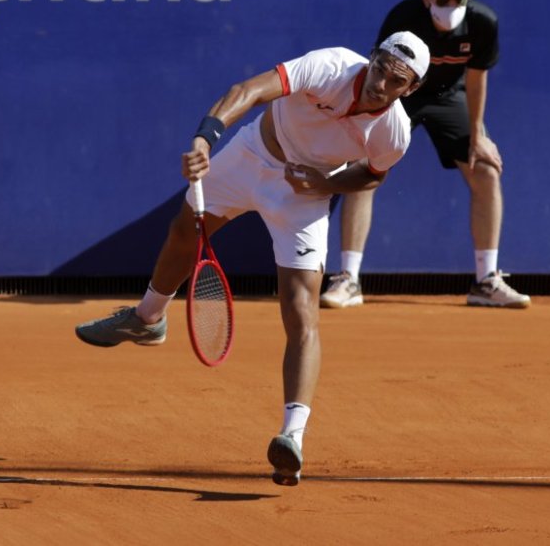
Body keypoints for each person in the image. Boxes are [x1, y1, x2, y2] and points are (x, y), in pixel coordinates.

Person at [74, 31, 431, 486]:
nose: (381, 83)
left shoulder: (394, 132)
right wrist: (205, 139)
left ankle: (292, 437)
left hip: (303, 197)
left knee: (301, 311)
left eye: (396, 81)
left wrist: (324, 184)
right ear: (373, 56)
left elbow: (373, 174)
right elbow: (249, 91)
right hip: (250, 155)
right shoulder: (332, 65)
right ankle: (148, 318)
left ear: (411, 88)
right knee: (184, 232)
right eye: (380, 68)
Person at [320, 0, 531, 310]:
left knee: (486, 169)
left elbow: (477, 78)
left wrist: (477, 133)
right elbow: (380, 74)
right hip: (400, 95)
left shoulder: (482, 22)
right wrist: (368, 121)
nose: (452, 7)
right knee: (363, 168)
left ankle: (486, 281)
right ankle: (348, 279)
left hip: (450, 96)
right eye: (444, 0)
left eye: (459, 0)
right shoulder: (404, 18)